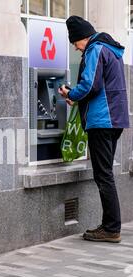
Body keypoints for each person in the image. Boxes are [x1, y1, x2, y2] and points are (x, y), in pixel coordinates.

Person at [59, 16, 129, 243]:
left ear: (82, 38)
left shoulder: (95, 49)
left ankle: (111, 228)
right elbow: (101, 87)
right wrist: (78, 98)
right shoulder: (111, 50)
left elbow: (91, 84)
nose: (76, 48)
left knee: (103, 175)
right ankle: (110, 225)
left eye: (75, 43)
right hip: (115, 119)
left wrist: (71, 94)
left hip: (102, 120)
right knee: (106, 173)